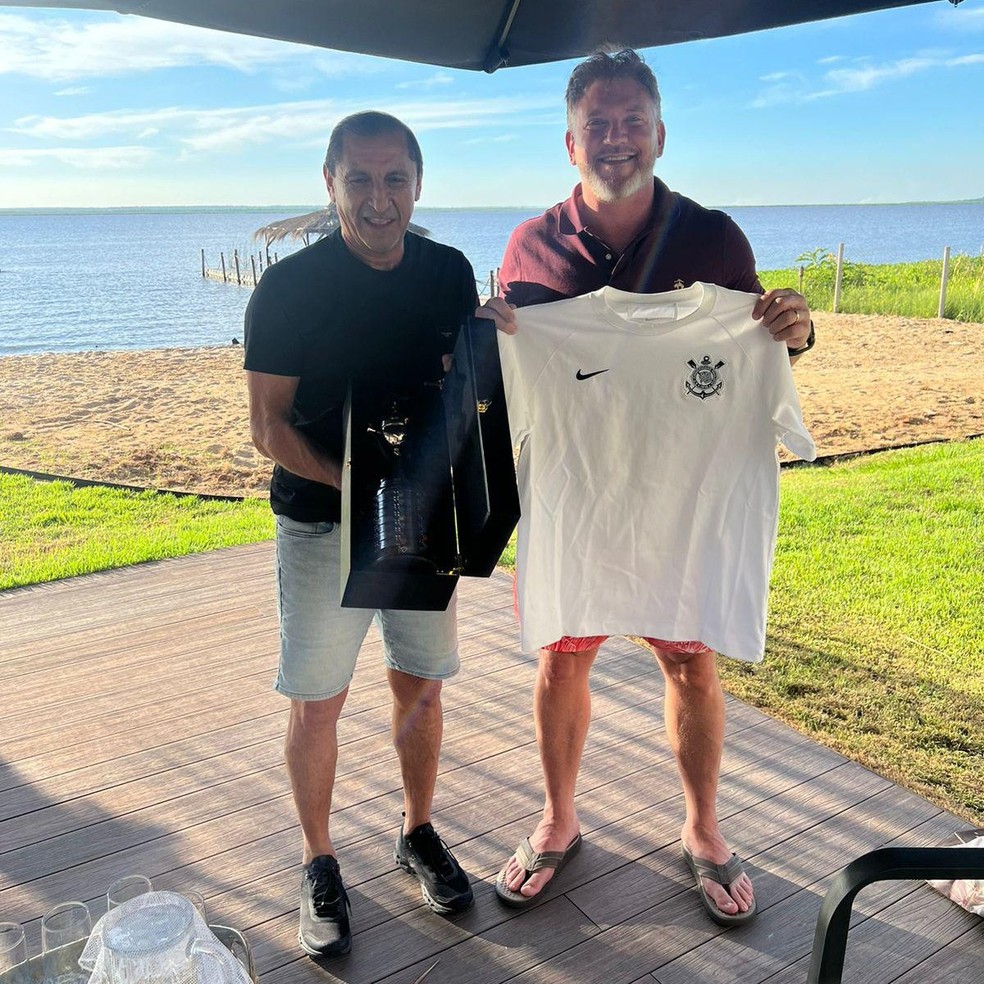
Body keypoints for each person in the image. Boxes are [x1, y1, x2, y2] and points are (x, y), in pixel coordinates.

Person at [479, 48, 816, 926]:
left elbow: (760, 356)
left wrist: (793, 331)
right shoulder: (528, 247)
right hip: (578, 500)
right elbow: (504, 382)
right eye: (600, 123)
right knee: (562, 658)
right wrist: (493, 341)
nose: (617, 138)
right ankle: (558, 819)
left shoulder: (716, 239)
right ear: (571, 141)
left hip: (685, 503)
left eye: (633, 121)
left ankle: (704, 828)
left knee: (690, 661)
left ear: (660, 134)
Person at [243, 111, 477, 958]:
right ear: (330, 182)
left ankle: (417, 832)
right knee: (319, 702)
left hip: (423, 520)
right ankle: (319, 859)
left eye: (394, 180)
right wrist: (361, 486)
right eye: (359, 180)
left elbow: (464, 387)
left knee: (420, 684)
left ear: (418, 184)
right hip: (319, 523)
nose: (379, 200)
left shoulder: (449, 271)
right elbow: (268, 427)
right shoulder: (289, 288)